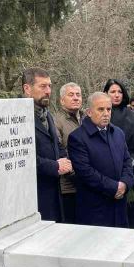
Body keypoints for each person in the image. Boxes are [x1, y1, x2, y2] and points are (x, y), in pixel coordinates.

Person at [68, 92, 134, 228]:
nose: (106, 113)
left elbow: (127, 161)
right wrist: (114, 187)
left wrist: (125, 184)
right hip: (95, 209)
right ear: (89, 112)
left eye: (108, 109)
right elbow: (86, 172)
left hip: (119, 206)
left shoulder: (118, 133)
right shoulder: (77, 138)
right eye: (100, 109)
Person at [22, 67, 71, 222]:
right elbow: (23, 158)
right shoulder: (19, 116)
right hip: (33, 197)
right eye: (42, 86)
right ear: (27, 89)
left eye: (49, 86)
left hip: (54, 193)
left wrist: (66, 161)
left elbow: (56, 143)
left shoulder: (46, 114)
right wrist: (55, 166)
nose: (48, 91)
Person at [103, 79, 134, 229]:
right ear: (105, 94)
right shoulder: (100, 115)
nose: (116, 95)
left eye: (119, 92)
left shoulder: (132, 115)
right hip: (108, 169)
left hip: (133, 169)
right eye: (112, 92)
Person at [53, 82, 84, 224]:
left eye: (78, 95)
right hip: (68, 187)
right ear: (62, 100)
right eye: (71, 95)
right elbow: (59, 152)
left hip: (88, 185)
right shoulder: (56, 121)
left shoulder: (87, 118)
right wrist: (78, 175)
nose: (75, 98)